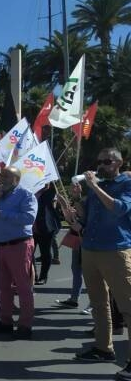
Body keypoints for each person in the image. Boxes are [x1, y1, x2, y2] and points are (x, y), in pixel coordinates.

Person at [73, 148, 131, 381]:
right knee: (98, 302)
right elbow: (85, 217)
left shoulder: (126, 184)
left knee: (127, 307)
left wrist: (94, 186)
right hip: (90, 249)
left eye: (107, 161)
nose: (101, 166)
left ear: (119, 163)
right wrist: (77, 200)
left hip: (116, 250)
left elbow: (118, 209)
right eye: (99, 162)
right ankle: (103, 348)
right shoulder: (98, 186)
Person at [0, 166, 37, 340]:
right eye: (1, 175)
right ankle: (6, 321)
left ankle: (25, 325)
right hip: (0, 245)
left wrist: (3, 214)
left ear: (16, 180)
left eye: (6, 176)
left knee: (23, 286)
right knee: (3, 287)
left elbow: (29, 218)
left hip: (19, 245)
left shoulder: (26, 195)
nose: (1, 179)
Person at [33, 183, 60, 285]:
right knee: (29, 254)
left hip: (46, 227)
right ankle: (33, 276)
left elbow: (50, 203)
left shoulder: (51, 192)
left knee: (45, 253)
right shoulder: (32, 190)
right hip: (32, 227)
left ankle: (43, 277)